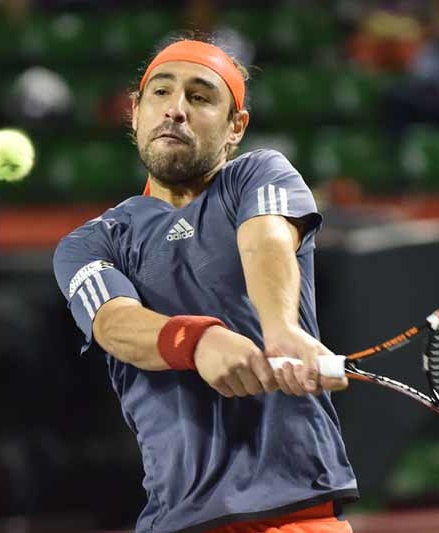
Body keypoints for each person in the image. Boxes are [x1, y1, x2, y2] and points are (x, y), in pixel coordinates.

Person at [52, 38, 358, 533]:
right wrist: (197, 341)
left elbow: (267, 241)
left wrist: (281, 330)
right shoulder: (91, 243)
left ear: (236, 126)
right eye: (161, 93)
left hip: (296, 513)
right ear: (135, 112)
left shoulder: (258, 174)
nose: (176, 109)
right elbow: (114, 323)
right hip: (177, 518)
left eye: (199, 97)